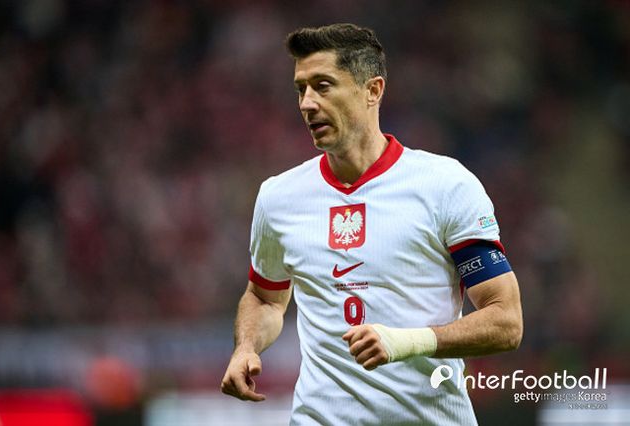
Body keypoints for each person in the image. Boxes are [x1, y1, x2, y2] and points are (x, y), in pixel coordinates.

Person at [221, 23, 523, 425]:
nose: (307, 103)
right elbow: (265, 298)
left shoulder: (445, 186)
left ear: (373, 90)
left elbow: (505, 320)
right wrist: (246, 347)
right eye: (300, 89)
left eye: (323, 86)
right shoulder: (279, 197)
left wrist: (406, 342)